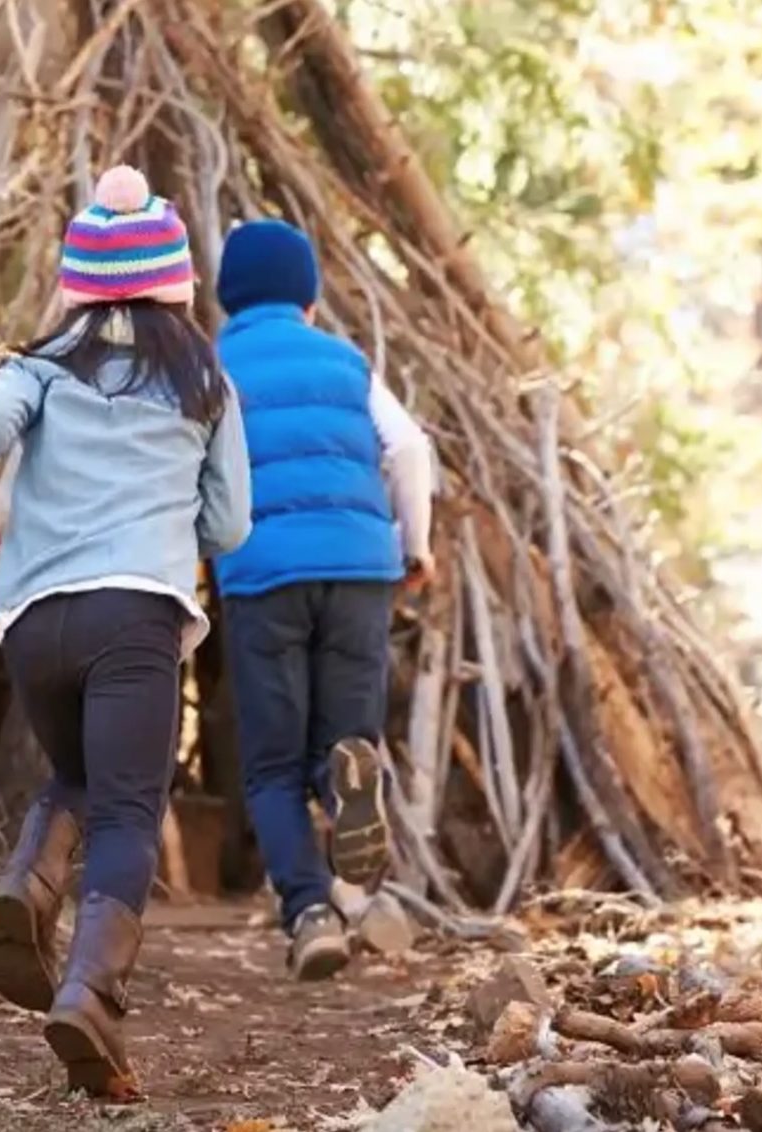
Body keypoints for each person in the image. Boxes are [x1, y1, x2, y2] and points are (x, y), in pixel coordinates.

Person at [0, 166, 249, 1100]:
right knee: (129, 809)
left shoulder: (37, 370)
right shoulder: (205, 380)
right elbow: (232, 526)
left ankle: (27, 888)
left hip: (33, 622)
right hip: (135, 614)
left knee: (79, 780)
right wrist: (178, 525)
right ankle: (89, 992)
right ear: (174, 283)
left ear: (79, 285)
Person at [211, 218, 435, 983]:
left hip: (263, 572)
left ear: (226, 297)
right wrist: (415, 544)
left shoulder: (215, 366)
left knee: (271, 765)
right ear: (308, 298)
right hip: (360, 567)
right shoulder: (347, 362)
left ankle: (309, 913)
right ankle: (348, 785)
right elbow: (407, 447)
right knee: (342, 740)